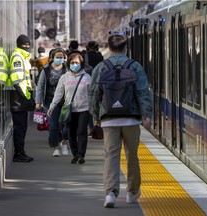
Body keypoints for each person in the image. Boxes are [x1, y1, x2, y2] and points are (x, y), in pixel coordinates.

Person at [88, 35, 152, 207]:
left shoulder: (102, 67)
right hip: (131, 119)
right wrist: (146, 115)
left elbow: (93, 93)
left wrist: (95, 117)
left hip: (109, 119)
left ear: (109, 47)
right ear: (125, 48)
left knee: (111, 156)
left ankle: (110, 193)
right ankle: (132, 192)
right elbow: (142, 92)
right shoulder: (135, 66)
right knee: (132, 156)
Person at [47, 53, 92, 164]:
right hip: (70, 110)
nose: (74, 65)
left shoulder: (87, 78)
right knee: (71, 133)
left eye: (76, 63)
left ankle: (81, 155)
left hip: (84, 109)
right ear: (68, 64)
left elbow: (92, 94)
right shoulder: (64, 77)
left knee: (81, 132)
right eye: (72, 63)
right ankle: (75, 154)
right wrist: (52, 106)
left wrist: (94, 110)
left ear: (81, 64)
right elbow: (58, 93)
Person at [35, 48, 69, 157]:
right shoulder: (46, 70)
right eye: (58, 57)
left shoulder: (67, 69)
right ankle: (56, 147)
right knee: (53, 125)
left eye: (62, 57)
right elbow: (40, 86)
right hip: (49, 101)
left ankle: (64, 142)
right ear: (52, 58)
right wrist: (38, 101)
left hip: (64, 101)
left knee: (65, 124)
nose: (60, 59)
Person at [9, 34, 35, 162]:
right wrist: (26, 97)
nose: (27, 47)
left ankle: (21, 152)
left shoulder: (23, 57)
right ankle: (18, 153)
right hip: (18, 99)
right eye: (24, 44)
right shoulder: (18, 57)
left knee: (22, 127)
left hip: (21, 98)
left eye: (28, 44)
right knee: (19, 127)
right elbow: (17, 80)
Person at [82, 40, 104, 136]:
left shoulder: (84, 57)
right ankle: (98, 124)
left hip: (88, 83)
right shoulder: (100, 56)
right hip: (99, 83)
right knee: (98, 104)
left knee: (90, 105)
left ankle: (91, 127)